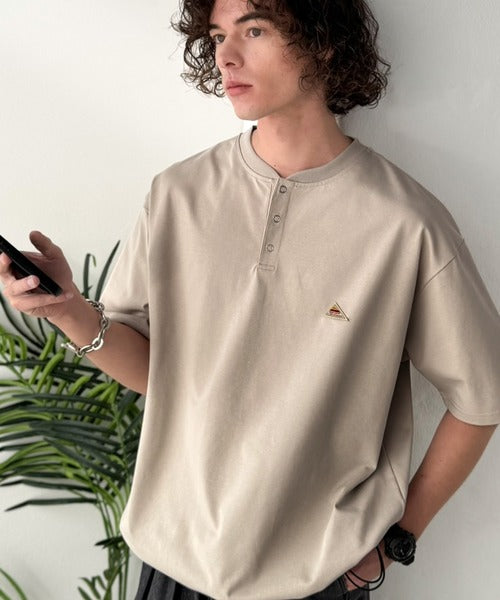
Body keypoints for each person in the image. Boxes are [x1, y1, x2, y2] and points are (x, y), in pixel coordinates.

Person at [1, 0, 499, 599]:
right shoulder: (178, 194)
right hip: (173, 562)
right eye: (217, 36)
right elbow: (161, 375)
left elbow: (482, 397)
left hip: (317, 578)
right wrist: (67, 311)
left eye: (254, 30)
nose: (226, 57)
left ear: (323, 42)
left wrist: (394, 545)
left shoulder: (406, 223)